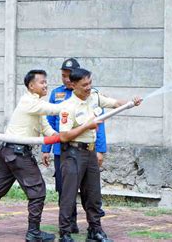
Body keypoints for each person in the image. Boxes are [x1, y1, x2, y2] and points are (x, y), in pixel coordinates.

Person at [0, 70, 98, 242]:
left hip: (8, 151)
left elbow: (47, 129)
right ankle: (33, 233)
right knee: (38, 191)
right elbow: (56, 109)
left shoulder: (36, 105)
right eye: (42, 82)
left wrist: (65, 137)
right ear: (31, 86)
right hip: (17, 152)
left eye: (46, 82)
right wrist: (79, 103)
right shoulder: (29, 102)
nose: (45, 85)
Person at [57, 68, 142, 242]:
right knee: (69, 194)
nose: (88, 87)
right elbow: (64, 136)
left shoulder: (94, 96)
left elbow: (114, 104)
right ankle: (65, 233)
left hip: (90, 152)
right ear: (73, 85)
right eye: (84, 85)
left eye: (90, 83)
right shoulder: (67, 107)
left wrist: (131, 102)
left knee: (94, 194)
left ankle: (95, 231)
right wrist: (86, 126)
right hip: (73, 153)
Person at [41, 58, 108, 233]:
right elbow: (49, 121)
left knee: (90, 191)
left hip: (87, 148)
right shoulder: (57, 94)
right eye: (63, 76)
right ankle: (69, 225)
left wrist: (100, 150)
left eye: (69, 76)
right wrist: (45, 149)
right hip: (62, 149)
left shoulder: (92, 96)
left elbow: (99, 126)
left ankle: (94, 227)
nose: (66, 79)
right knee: (65, 189)